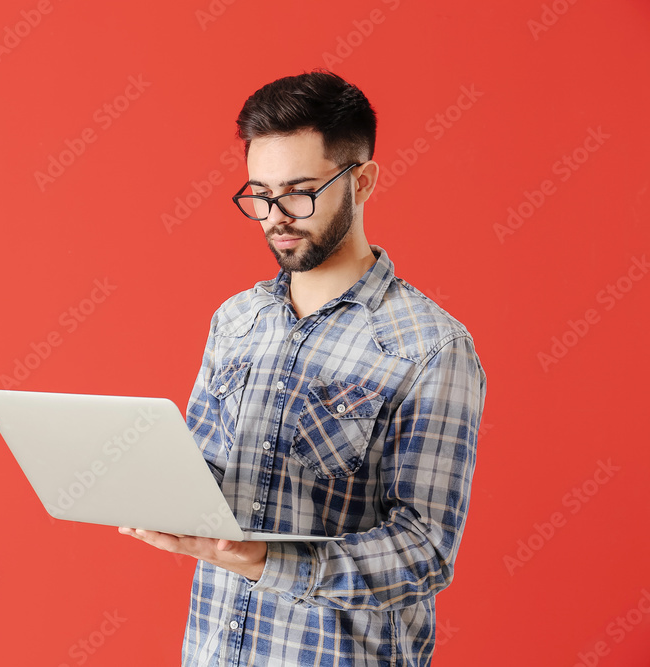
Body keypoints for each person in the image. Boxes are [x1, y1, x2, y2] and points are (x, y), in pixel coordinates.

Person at [119, 69, 487, 665]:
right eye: (259, 194)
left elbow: (424, 551)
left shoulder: (430, 347)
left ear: (362, 182)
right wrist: (149, 489)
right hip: (215, 649)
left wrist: (269, 562)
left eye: (298, 191)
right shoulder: (236, 320)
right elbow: (209, 478)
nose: (275, 215)